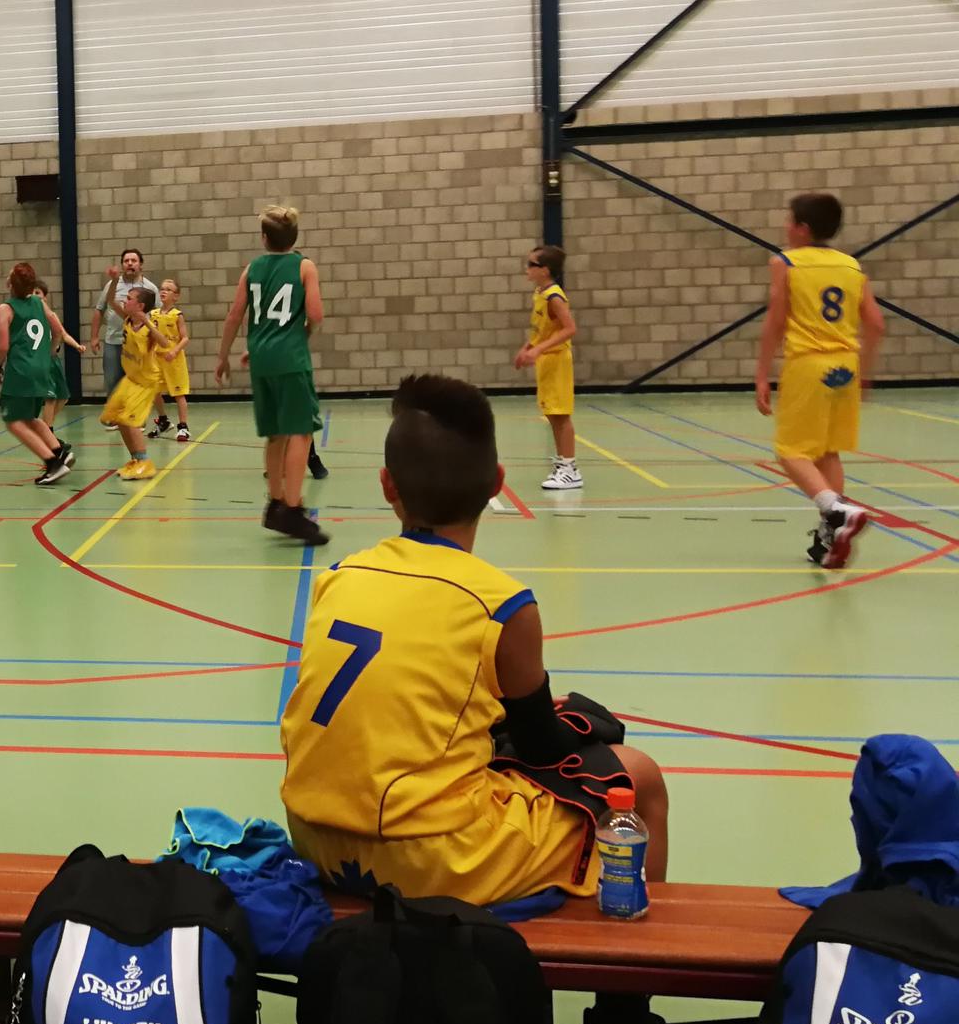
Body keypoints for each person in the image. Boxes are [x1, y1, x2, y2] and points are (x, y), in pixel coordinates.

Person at [281, 373, 670, 905]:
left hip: (312, 840)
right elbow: (541, 746)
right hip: (426, 857)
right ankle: (638, 953)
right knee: (640, 777)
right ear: (497, 483)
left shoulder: (339, 576)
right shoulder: (503, 603)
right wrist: (582, 724)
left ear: (387, 486)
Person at [756, 192, 883, 569]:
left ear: (802, 228)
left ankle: (836, 510)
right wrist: (866, 373)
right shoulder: (852, 266)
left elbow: (776, 321)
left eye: (789, 220)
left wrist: (761, 374)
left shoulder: (785, 262)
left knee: (790, 451)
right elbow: (876, 324)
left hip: (809, 363)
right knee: (828, 452)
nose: (785, 226)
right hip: (846, 366)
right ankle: (830, 539)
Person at [216, 206, 326, 545]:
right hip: (290, 358)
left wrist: (223, 357)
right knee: (301, 431)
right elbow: (316, 314)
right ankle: (292, 509)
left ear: (264, 238)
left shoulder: (252, 269)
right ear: (295, 236)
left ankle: (275, 502)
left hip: (261, 358)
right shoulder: (304, 266)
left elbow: (235, 315)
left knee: (275, 433)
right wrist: (300, 335)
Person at [0, 263, 84, 486]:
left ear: (10, 284)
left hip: (21, 370)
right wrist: (51, 351)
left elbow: (3, 346)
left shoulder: (5, 309)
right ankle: (59, 451)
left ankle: (52, 463)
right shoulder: (39, 302)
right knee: (30, 418)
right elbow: (58, 330)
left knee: (13, 422)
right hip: (42, 367)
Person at [517, 245, 581, 491]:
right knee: (552, 414)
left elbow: (569, 328)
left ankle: (570, 469)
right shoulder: (540, 293)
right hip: (546, 361)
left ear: (545, 270)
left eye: (531, 265)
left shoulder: (554, 296)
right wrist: (528, 347)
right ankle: (563, 463)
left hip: (557, 360)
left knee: (561, 415)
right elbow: (541, 328)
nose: (527, 269)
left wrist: (538, 350)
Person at [100, 271, 161, 480]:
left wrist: (148, 322)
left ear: (140, 306)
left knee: (131, 420)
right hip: (131, 378)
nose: (125, 301)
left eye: (129, 298)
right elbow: (110, 300)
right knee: (117, 418)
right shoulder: (127, 318)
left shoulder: (148, 327)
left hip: (145, 382)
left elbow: (164, 342)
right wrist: (114, 280)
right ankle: (136, 459)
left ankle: (146, 463)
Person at [91, 248, 153, 416]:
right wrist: (94, 337)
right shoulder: (112, 287)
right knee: (112, 380)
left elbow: (158, 315)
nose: (130, 264)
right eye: (126, 261)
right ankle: (114, 416)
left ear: (141, 265)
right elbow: (101, 308)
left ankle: (136, 416)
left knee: (137, 381)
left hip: (137, 344)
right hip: (114, 340)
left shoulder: (149, 288)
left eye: (133, 260)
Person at [148, 278, 192, 442]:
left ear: (176, 296)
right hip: (156, 359)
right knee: (154, 391)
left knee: (179, 394)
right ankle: (163, 421)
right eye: (162, 288)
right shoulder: (153, 314)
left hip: (173, 360)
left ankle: (183, 426)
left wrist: (174, 351)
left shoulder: (177, 315)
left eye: (168, 289)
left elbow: (185, 338)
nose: (164, 291)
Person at [35, 282, 70, 430]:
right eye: (32, 293)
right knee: (51, 397)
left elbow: (61, 334)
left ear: (45, 296)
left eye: (38, 293)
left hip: (54, 360)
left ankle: (45, 427)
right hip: (41, 360)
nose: (35, 296)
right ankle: (48, 431)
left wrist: (77, 345)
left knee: (63, 397)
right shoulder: (30, 316)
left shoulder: (51, 316)